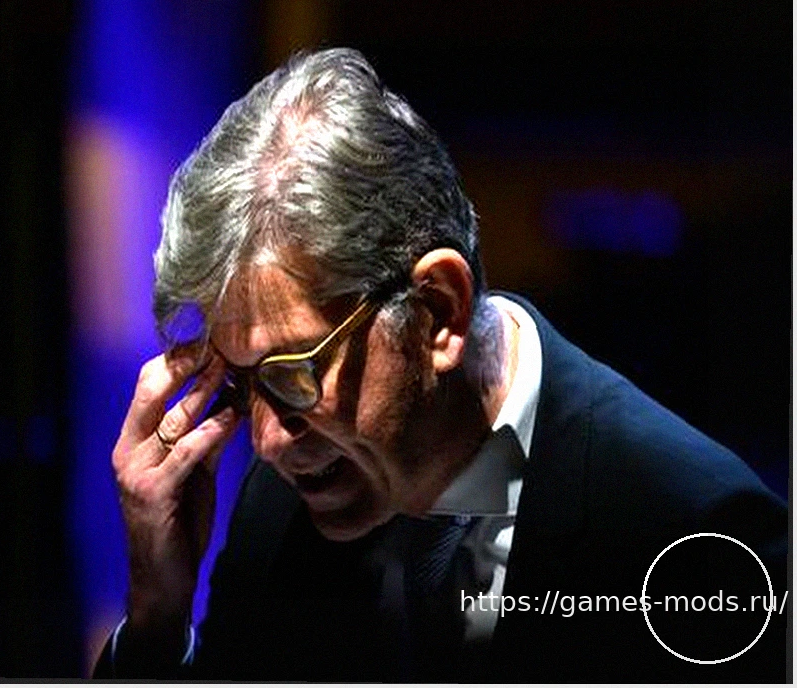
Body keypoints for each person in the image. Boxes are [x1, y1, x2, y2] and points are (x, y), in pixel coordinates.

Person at [92, 48, 787, 681]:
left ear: (438, 310)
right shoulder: (285, 504)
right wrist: (157, 621)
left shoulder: (695, 530)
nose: (268, 442)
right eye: (244, 382)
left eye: (293, 372)